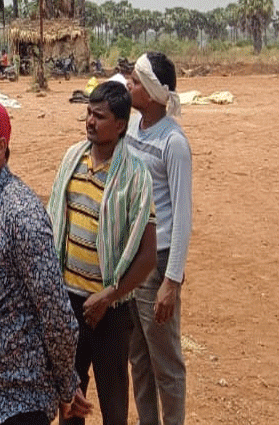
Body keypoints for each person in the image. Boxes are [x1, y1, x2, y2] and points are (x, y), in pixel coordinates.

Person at [0, 98, 90, 425]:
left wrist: (66, 386)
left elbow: (56, 313)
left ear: (1, 147)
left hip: (23, 401)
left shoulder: (21, 216)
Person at [47, 81, 158, 425]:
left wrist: (108, 296)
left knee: (113, 406)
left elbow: (148, 255)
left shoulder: (136, 176)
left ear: (121, 125)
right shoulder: (72, 159)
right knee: (69, 401)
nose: (90, 122)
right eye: (88, 114)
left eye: (100, 116)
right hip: (68, 305)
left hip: (111, 313)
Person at [124, 52, 192, 425]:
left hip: (159, 261)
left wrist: (173, 280)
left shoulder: (173, 143)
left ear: (149, 93)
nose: (129, 85)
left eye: (135, 80)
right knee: (139, 357)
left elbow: (182, 215)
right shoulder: (134, 128)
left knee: (166, 362)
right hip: (133, 259)